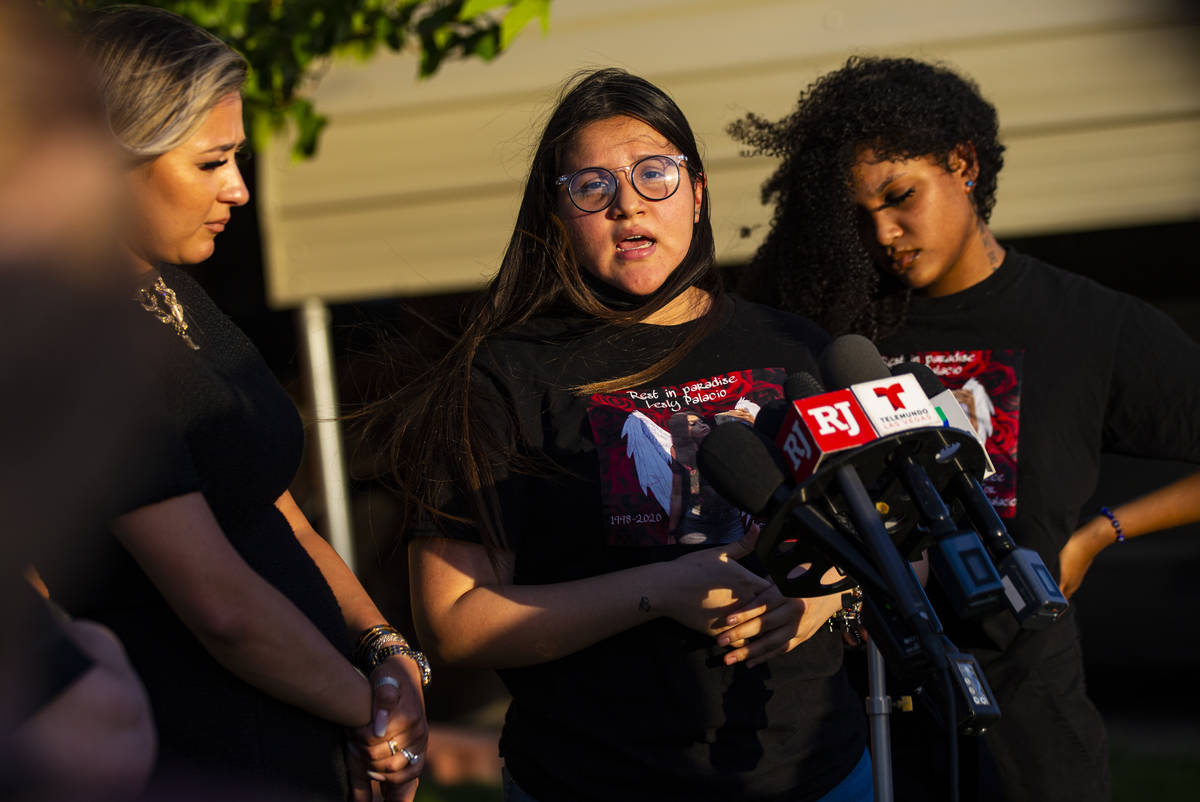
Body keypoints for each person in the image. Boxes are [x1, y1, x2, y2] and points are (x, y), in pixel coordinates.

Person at [369, 67, 871, 802]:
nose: (628, 205)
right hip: (592, 778)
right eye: (593, 186)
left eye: (654, 175)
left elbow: (871, 540)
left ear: (697, 192)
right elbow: (453, 622)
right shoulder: (503, 379)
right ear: (559, 215)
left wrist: (814, 605)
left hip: (815, 775)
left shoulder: (797, 350)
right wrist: (662, 590)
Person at [729, 55, 1200, 801]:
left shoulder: (1089, 324)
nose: (883, 231)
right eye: (859, 214)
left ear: (964, 164)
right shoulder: (832, 329)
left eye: (900, 196)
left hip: (1028, 735)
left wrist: (1099, 531)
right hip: (863, 726)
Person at [30, 6, 428, 800]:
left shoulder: (171, 294)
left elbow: (272, 506)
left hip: (300, 732)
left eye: (237, 158)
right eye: (212, 162)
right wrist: (371, 719)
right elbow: (220, 606)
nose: (239, 190)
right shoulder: (85, 345)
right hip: (205, 752)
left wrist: (383, 649)